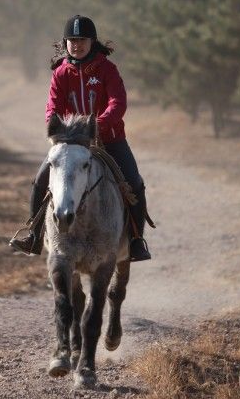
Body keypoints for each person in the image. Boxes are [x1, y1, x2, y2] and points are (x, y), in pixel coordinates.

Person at [9, 14, 152, 262]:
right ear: (65, 43)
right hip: (71, 144)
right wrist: (57, 129)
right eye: (72, 40)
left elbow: (118, 103)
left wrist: (97, 125)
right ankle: (33, 234)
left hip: (110, 140)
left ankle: (136, 240)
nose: (77, 45)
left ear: (92, 41)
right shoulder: (60, 73)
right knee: (40, 180)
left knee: (134, 182)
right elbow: (52, 108)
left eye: (82, 39)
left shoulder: (108, 69)